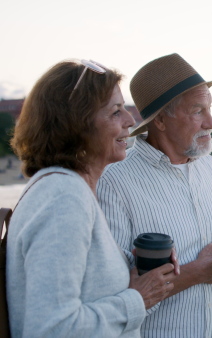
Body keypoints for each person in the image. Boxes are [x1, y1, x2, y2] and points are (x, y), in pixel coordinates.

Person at [7, 59, 179, 337]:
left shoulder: (70, 190)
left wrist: (130, 269)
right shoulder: (63, 199)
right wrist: (137, 300)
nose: (130, 121)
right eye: (115, 112)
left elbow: (82, 287)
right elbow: (51, 328)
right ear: (76, 124)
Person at [97, 53, 212, 337]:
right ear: (160, 120)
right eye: (197, 111)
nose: (211, 122)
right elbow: (112, 294)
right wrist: (196, 272)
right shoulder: (113, 181)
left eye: (209, 108)